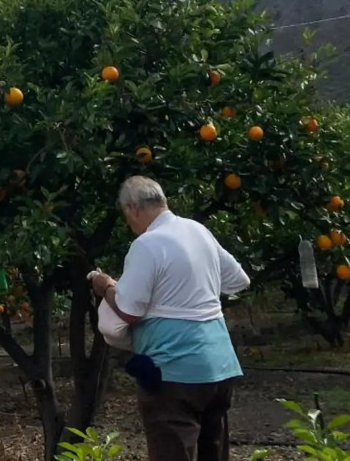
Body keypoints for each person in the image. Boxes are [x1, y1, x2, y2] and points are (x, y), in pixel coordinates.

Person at [89, 176, 250, 461]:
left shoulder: (148, 244)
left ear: (132, 208)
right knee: (213, 452)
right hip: (220, 367)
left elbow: (128, 310)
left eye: (127, 217)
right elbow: (239, 280)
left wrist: (105, 286)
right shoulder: (198, 231)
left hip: (175, 373)